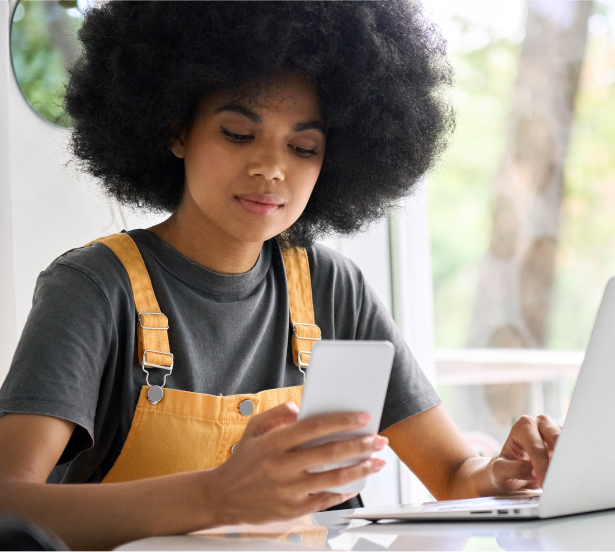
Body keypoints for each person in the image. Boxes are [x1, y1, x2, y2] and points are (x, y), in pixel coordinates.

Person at [0, 0, 561, 550]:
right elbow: (7, 503)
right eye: (238, 134)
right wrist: (219, 495)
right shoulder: (94, 287)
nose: (271, 167)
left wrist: (503, 475)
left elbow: (456, 476)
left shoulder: (331, 288)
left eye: (303, 146)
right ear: (176, 131)